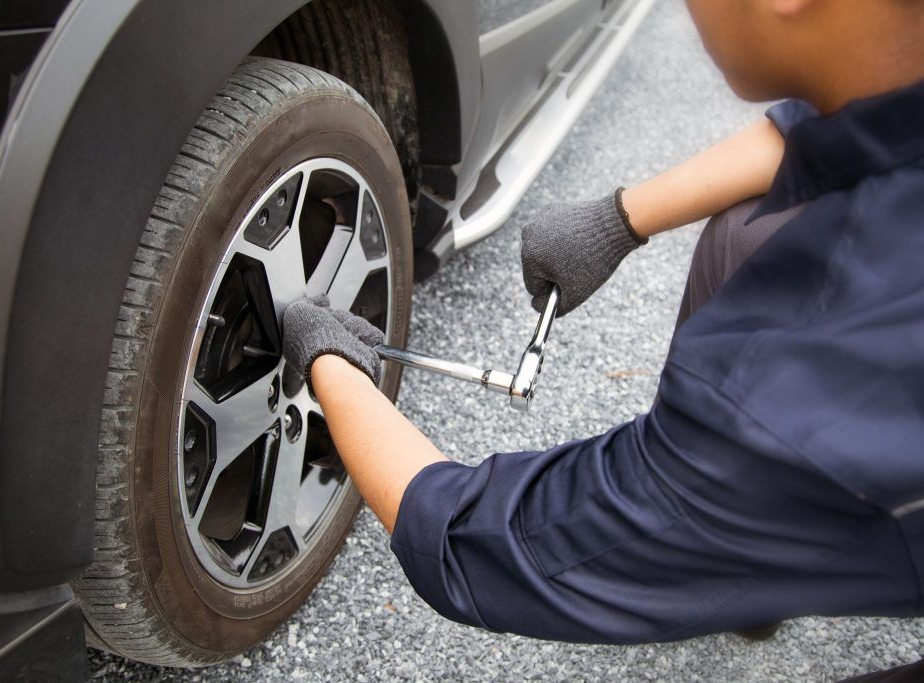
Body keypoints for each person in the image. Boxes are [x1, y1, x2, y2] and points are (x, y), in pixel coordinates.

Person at [282, 0, 924, 678]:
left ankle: (728, 546)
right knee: (744, 235)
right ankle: (748, 558)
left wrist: (331, 361)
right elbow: (834, 129)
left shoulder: (798, 391)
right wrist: (618, 220)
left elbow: (483, 544)